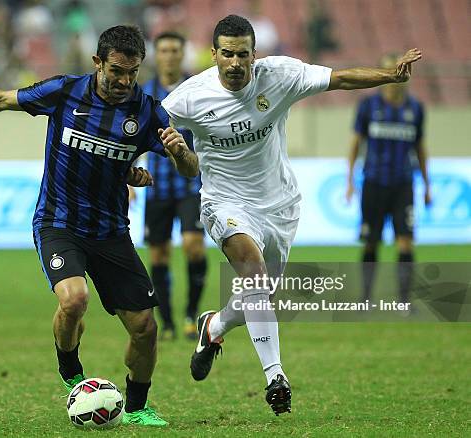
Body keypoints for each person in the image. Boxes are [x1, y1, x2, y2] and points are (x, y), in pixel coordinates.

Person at [0, 24, 199, 427]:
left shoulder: (147, 111)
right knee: (74, 299)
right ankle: (70, 370)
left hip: (111, 230)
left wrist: (179, 153)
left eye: (132, 72)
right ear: (98, 62)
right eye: (116, 71)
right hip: (58, 222)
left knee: (145, 327)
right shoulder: (65, 91)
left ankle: (137, 408)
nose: (124, 81)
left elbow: (189, 170)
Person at [161, 15, 422, 416]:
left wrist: (389, 75)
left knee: (258, 293)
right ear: (212, 55)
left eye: (242, 55)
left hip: (279, 205)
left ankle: (212, 327)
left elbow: (340, 78)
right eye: (226, 54)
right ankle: (276, 376)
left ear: (254, 55)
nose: (234, 63)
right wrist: (178, 153)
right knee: (253, 271)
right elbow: (185, 165)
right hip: (224, 201)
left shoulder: (280, 75)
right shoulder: (185, 99)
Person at [346, 53, 431, 308]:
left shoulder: (415, 109)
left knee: (405, 240)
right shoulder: (368, 106)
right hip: (373, 182)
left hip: (403, 184)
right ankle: (366, 298)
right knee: (372, 240)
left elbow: (420, 148)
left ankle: (404, 301)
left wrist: (427, 184)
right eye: (389, 71)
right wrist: (350, 180)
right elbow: (355, 144)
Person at [142, 31, 206, 341]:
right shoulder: (144, 94)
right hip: (157, 186)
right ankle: (165, 321)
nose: (169, 55)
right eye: (163, 50)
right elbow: (130, 136)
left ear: (182, 54)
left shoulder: (199, 89)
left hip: (191, 184)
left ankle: (191, 315)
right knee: (159, 256)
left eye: (174, 50)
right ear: (157, 55)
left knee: (194, 247)